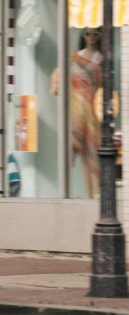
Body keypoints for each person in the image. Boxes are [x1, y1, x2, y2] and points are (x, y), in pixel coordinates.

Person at [51, 27, 102, 198]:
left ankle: (93, 195)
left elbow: (100, 84)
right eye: (88, 33)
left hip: (92, 109)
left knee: (92, 154)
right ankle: (74, 195)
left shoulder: (99, 58)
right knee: (78, 152)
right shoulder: (75, 56)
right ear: (83, 35)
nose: (91, 37)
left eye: (95, 34)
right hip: (76, 110)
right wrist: (57, 84)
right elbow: (60, 73)